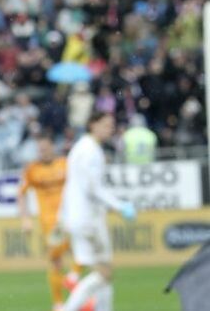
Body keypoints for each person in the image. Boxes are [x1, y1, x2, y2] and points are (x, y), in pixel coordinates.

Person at [58, 112, 137, 311]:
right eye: (106, 125)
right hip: (88, 220)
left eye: (111, 125)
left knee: (104, 272)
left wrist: (63, 216)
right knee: (104, 272)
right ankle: (69, 307)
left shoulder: (81, 148)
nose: (109, 129)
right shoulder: (89, 150)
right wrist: (120, 206)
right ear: (93, 124)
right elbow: (92, 187)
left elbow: (71, 186)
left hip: (79, 218)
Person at [18, 134, 84, 311]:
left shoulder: (65, 164)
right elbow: (21, 194)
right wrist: (25, 219)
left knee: (81, 253)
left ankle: (73, 280)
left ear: (53, 147)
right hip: (49, 223)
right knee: (56, 261)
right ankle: (58, 303)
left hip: (70, 218)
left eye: (46, 148)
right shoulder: (32, 169)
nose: (44, 152)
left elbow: (79, 186)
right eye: (40, 150)